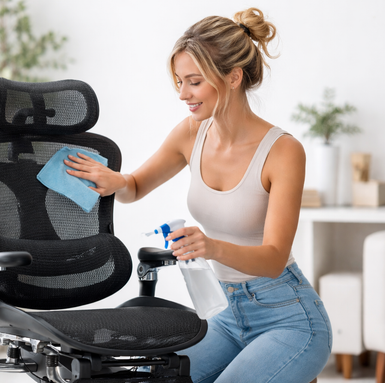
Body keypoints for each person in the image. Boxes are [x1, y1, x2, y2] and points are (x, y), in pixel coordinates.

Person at [63, 7, 332, 383]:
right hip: (227, 314)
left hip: (289, 318)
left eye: (194, 82)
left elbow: (273, 259)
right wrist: (114, 181)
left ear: (233, 77)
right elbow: (136, 186)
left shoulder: (283, 151)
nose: (183, 94)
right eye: (178, 82)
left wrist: (211, 246)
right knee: (148, 377)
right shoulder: (192, 133)